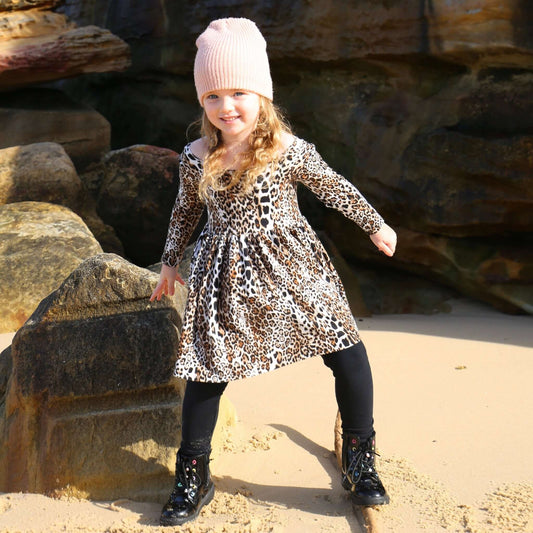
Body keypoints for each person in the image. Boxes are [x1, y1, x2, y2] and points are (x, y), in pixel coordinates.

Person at [150, 17, 397, 527]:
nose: (226, 107)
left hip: (294, 265)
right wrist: (170, 261)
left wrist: (374, 224)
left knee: (347, 353)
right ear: (202, 102)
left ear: (261, 93)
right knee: (206, 369)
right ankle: (193, 473)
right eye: (213, 96)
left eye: (238, 91)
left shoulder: (287, 149)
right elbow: (184, 212)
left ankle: (359, 457)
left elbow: (333, 186)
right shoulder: (197, 157)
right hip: (226, 274)